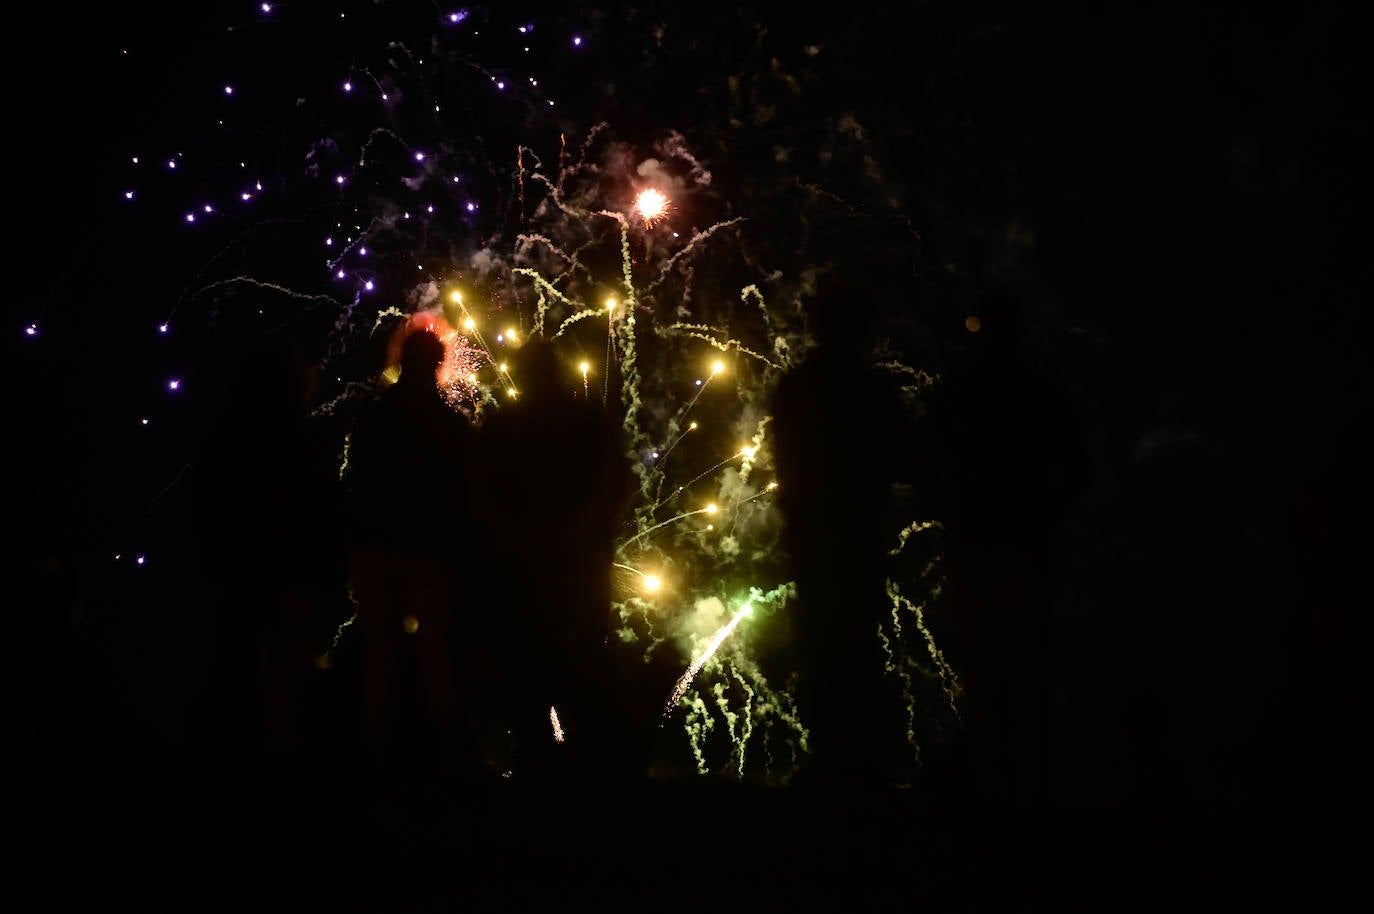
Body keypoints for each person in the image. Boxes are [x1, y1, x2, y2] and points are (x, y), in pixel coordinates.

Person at [472, 337, 634, 782]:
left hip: (526, 567)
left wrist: (514, 539)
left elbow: (482, 497)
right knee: (584, 658)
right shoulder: (588, 423)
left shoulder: (503, 427)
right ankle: (595, 759)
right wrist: (586, 532)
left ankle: (537, 758)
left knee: (528, 662)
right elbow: (617, 487)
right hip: (578, 563)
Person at [345, 327, 478, 776]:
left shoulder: (372, 417)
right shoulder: (450, 424)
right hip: (430, 552)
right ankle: (445, 756)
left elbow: (356, 482)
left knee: (379, 655)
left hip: (378, 548)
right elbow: (466, 493)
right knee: (437, 654)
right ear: (438, 364)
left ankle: (376, 751)